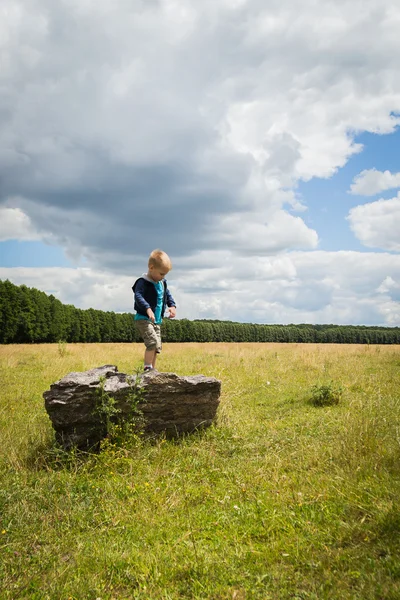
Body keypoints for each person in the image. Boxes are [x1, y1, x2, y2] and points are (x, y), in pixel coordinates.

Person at [132, 249, 176, 372]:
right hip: (144, 319)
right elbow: (138, 296)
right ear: (151, 268)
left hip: (157, 321)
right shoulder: (142, 282)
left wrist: (172, 306)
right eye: (161, 274)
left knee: (157, 346)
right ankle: (147, 368)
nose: (163, 277)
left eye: (165, 275)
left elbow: (167, 295)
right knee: (151, 343)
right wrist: (147, 309)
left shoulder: (162, 283)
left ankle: (153, 370)